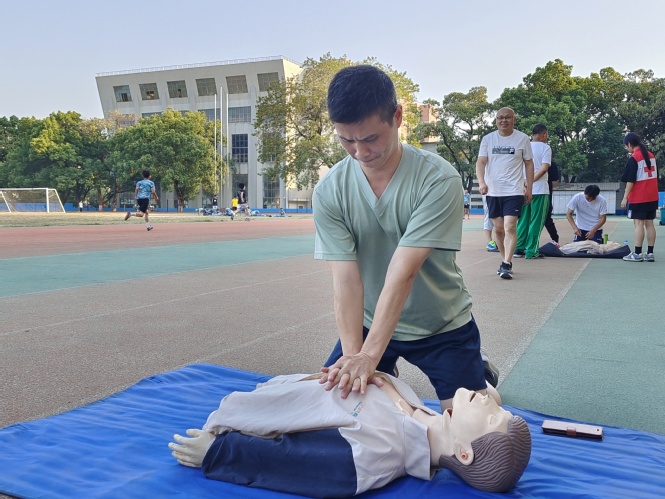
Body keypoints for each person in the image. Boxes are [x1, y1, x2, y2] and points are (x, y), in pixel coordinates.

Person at [313, 65, 497, 413]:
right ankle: (386, 369)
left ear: (397, 117)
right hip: (370, 322)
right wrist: (356, 359)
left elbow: (403, 271)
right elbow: (346, 281)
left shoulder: (438, 179)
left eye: (370, 138)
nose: (359, 152)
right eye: (346, 140)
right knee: (339, 409)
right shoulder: (329, 191)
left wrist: (369, 357)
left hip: (440, 323)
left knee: (471, 423)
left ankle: (481, 377)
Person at [168, 373, 532, 496]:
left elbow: (287, 462)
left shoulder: (373, 456)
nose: (491, 403)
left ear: (464, 452)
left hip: (245, 413)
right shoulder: (416, 407)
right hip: (280, 389)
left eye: (492, 418)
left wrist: (217, 451)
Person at [476, 107, 534, 279]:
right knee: (499, 230)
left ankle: (507, 263)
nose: (504, 120)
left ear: (514, 119)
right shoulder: (488, 139)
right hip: (493, 191)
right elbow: (481, 162)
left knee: (510, 227)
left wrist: (529, 188)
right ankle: (504, 261)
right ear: (496, 120)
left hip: (514, 190)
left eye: (507, 117)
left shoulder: (522, 139)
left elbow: (529, 164)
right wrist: (481, 182)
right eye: (500, 118)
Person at [514, 124, 552, 259]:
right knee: (536, 221)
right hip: (539, 189)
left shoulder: (524, 146)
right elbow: (544, 168)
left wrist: (524, 182)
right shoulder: (545, 148)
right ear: (544, 134)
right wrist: (531, 181)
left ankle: (518, 248)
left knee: (523, 220)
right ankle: (531, 251)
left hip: (523, 189)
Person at [621, 132, 658, 262]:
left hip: (639, 197)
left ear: (629, 144)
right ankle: (650, 253)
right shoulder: (651, 155)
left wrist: (625, 197)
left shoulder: (634, 158)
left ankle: (637, 253)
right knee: (650, 224)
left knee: (638, 224)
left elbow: (630, 181)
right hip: (652, 196)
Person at [543, 160, 561, 245]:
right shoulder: (551, 163)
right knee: (547, 219)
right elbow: (555, 183)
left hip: (530, 193)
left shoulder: (527, 161)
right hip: (545, 194)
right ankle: (555, 239)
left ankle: (524, 244)